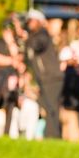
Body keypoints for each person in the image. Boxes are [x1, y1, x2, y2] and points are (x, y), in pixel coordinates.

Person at [24, 9, 64, 138]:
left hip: (52, 78)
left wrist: (27, 37)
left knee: (52, 108)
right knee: (46, 106)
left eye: (32, 21)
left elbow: (36, 45)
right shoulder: (32, 37)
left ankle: (53, 136)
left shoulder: (42, 35)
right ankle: (50, 134)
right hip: (43, 78)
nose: (29, 23)